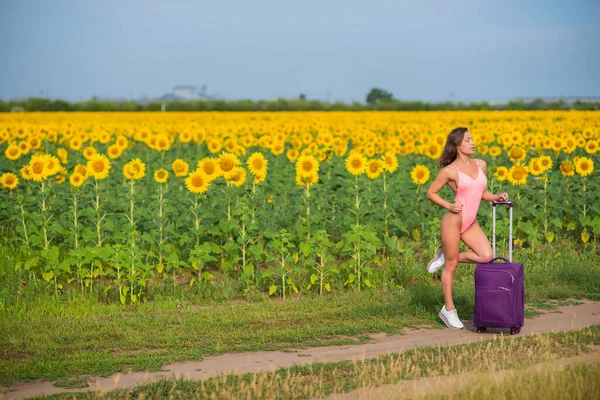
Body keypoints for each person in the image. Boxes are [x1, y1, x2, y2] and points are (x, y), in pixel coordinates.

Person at [425, 127, 508, 329]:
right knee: (451, 267)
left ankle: (446, 255)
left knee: (486, 255)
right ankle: (449, 310)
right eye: (468, 140)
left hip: (470, 222)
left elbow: (482, 192)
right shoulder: (449, 171)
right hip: (454, 221)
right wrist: (449, 205)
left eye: (472, 139)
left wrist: (497, 197)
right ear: (457, 145)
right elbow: (431, 193)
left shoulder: (481, 164)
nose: (473, 142)